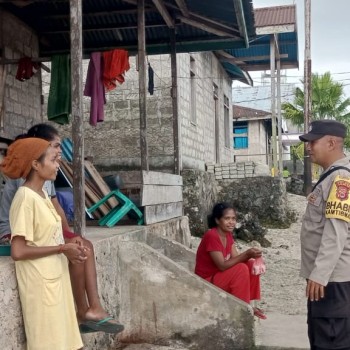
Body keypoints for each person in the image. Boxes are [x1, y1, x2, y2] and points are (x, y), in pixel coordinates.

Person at [0, 123, 124, 334]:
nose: (59, 154)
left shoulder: (44, 175)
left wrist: (68, 235)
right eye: (55, 147)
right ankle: (84, 310)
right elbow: (21, 243)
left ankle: (92, 308)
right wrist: (62, 245)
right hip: (15, 232)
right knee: (75, 251)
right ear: (38, 155)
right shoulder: (27, 183)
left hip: (38, 231)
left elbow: (55, 209)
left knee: (82, 244)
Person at [1, 137, 84, 349]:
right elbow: (18, 251)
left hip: (55, 279)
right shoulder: (25, 198)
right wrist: (61, 248)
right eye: (53, 160)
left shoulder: (43, 195)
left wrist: (69, 246)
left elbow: (46, 236)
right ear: (36, 165)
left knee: (65, 342)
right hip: (40, 287)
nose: (58, 165)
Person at [299, 120, 350, 350]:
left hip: (332, 281)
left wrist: (319, 275)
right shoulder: (330, 176)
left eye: (313, 141)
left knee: (331, 342)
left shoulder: (341, 179)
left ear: (331, 143)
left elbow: (336, 232)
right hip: (327, 279)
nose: (308, 147)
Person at [195, 202, 266, 319]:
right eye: (227, 218)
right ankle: (243, 308)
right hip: (206, 282)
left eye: (233, 218)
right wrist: (247, 254)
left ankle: (248, 302)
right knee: (241, 268)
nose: (231, 222)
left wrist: (252, 256)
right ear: (217, 220)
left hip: (218, 276)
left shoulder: (227, 234)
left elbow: (236, 258)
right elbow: (222, 266)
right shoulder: (212, 235)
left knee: (250, 264)